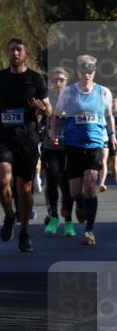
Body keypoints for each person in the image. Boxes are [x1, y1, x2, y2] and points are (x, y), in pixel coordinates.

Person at [0, 37, 50, 253]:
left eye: (19, 50)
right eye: (12, 50)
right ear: (7, 53)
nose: (15, 53)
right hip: (3, 137)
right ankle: (9, 215)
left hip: (27, 140)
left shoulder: (36, 79)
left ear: (25, 54)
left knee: (24, 191)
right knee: (1, 181)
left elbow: (49, 109)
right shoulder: (0, 77)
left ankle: (24, 232)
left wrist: (41, 107)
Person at [50, 55, 116, 246]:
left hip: (95, 145)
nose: (87, 75)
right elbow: (56, 115)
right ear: (78, 71)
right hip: (73, 146)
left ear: (94, 72)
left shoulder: (103, 92)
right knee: (75, 192)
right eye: (84, 71)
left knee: (89, 185)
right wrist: (53, 132)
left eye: (90, 71)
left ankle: (89, 230)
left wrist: (112, 134)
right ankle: (79, 204)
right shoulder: (68, 93)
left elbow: (108, 116)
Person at [42, 67, 75, 237]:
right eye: (55, 80)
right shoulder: (46, 99)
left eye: (61, 80)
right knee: (52, 181)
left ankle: (68, 221)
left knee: (68, 187)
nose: (58, 83)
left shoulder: (74, 99)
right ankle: (54, 217)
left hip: (69, 148)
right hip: (51, 148)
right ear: (50, 83)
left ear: (66, 82)